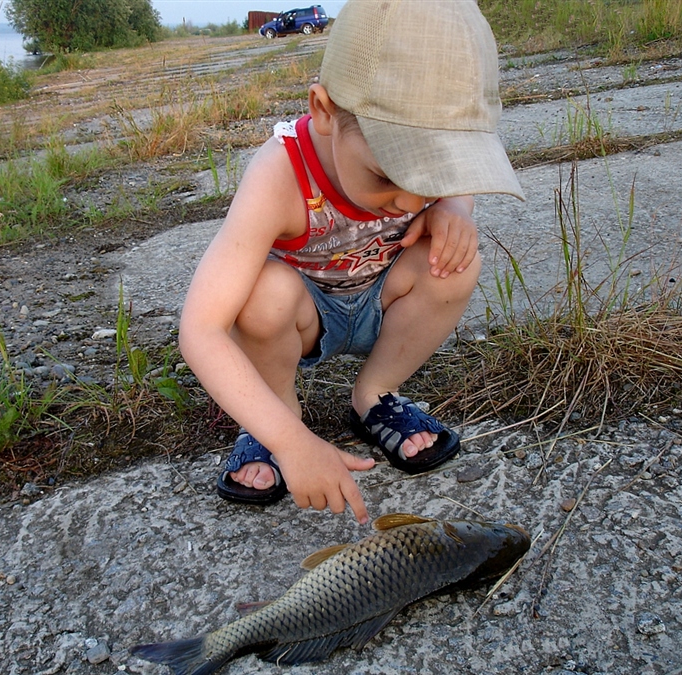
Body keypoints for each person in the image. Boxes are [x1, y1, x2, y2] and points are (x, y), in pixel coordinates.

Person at [178, 0, 524, 525]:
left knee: (455, 256)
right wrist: (294, 443)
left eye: (431, 178)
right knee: (261, 295)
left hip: (381, 297)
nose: (411, 203)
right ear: (323, 109)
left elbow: (456, 189)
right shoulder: (279, 176)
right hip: (302, 315)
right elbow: (201, 327)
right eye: (387, 174)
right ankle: (274, 418)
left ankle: (375, 394)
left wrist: (453, 206)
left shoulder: (414, 184)